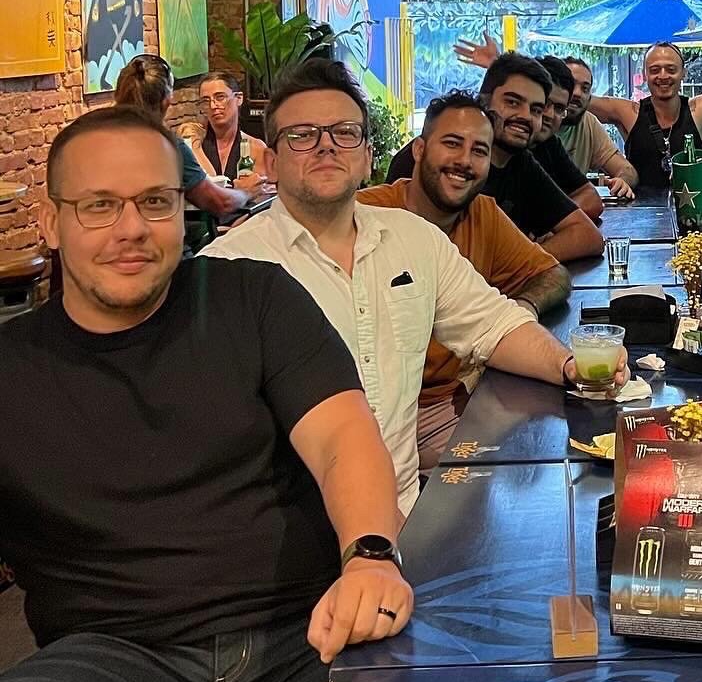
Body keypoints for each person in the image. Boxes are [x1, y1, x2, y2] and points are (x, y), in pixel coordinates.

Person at [0, 105, 410, 682]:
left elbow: (343, 437)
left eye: (154, 202)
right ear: (51, 221)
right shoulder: (12, 368)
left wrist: (370, 558)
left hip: (304, 636)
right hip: (107, 667)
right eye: (99, 205)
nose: (131, 228)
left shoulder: (252, 299)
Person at [204, 59, 620, 513]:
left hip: (401, 514)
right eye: (302, 135)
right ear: (272, 160)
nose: (327, 146)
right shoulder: (225, 270)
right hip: (291, 530)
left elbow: (493, 325)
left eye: (345, 133)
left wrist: (569, 364)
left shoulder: (415, 239)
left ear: (368, 155)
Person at [358, 91, 571, 470]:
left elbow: (548, 277)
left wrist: (530, 310)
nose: (464, 161)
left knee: (537, 459)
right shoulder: (367, 214)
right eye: (452, 143)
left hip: (445, 406)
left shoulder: (481, 214)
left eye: (479, 151)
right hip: (369, 414)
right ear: (419, 150)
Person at [457, 18, 702, 192]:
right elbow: (562, 93)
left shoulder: (701, 108)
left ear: (682, 73)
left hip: (694, 211)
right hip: (641, 213)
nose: (663, 75)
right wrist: (501, 65)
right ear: (645, 75)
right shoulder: (628, 112)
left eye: (671, 69)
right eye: (655, 70)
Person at [389, 54, 603, 263]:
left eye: (536, 109)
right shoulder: (428, 156)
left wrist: (524, 259)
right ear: (484, 102)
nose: (525, 116)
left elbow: (588, 235)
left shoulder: (520, 161)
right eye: (512, 102)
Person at [114, 53, 253, 220]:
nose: (214, 106)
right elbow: (220, 203)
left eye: (220, 97)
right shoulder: (167, 146)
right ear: (167, 101)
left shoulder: (95, 138)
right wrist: (246, 192)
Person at [532, 55, 607, 222]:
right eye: (544, 104)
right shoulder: (506, 148)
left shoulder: (549, 144)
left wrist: (549, 222)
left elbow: (592, 200)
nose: (550, 114)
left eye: (559, 108)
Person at [179, 69, 273, 190]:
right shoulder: (194, 142)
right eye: (206, 101)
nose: (213, 106)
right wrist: (195, 148)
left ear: (239, 98)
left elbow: (262, 195)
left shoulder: (256, 148)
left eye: (220, 97)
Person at [558, 55, 638, 196]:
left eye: (585, 88)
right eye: (570, 84)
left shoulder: (588, 123)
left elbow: (628, 171)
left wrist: (622, 181)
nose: (577, 93)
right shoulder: (536, 126)